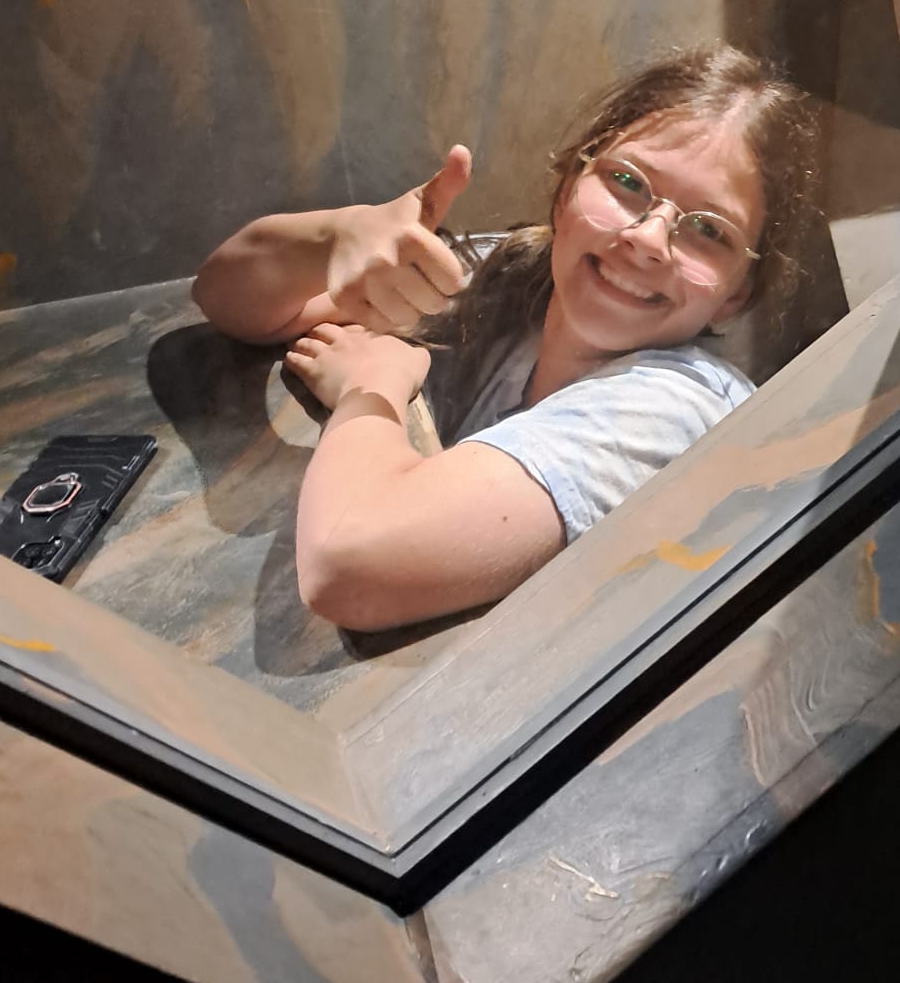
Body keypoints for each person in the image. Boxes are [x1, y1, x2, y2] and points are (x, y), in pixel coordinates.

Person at [192, 46, 823, 632]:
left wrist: (369, 387)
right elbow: (226, 296)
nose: (648, 239)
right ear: (568, 188)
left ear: (738, 292)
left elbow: (346, 561)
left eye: (709, 232)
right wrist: (335, 238)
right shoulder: (519, 275)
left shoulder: (676, 410)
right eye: (628, 182)